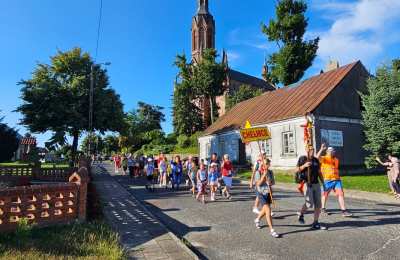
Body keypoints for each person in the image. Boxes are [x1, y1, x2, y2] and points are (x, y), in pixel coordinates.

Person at [296, 146, 327, 230]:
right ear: (306, 150)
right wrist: (304, 166)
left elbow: (319, 172)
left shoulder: (316, 160)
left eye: (313, 149)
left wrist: (323, 183)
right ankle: (301, 214)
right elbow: (296, 170)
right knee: (309, 204)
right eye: (310, 149)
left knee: (318, 205)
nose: (312, 151)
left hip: (316, 184)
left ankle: (315, 222)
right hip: (307, 183)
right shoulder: (303, 159)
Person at [319, 145, 353, 217]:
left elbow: (335, 168)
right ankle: (323, 209)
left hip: (337, 180)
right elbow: (317, 157)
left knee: (341, 194)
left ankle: (344, 211)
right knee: (325, 194)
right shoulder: (324, 158)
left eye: (333, 151)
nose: (332, 152)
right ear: (327, 152)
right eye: (330, 151)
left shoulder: (336, 159)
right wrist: (321, 149)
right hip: (327, 179)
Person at [254, 159, 280, 238]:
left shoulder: (270, 172)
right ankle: (272, 230)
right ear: (262, 164)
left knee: (265, 210)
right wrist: (263, 176)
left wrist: (270, 182)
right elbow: (258, 184)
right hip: (260, 192)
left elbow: (273, 182)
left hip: (268, 192)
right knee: (268, 210)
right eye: (265, 164)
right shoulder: (258, 172)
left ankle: (257, 219)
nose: (266, 165)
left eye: (268, 164)